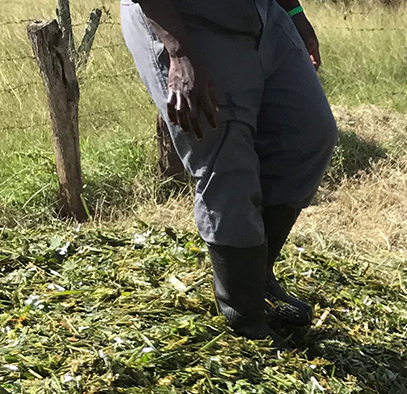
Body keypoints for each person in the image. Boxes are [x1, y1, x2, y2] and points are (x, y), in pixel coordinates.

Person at [121, 0, 338, 341]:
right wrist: (179, 52)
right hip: (186, 23)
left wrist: (294, 13)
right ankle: (244, 315)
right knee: (226, 162)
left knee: (308, 132)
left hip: (262, 14)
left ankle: (257, 276)